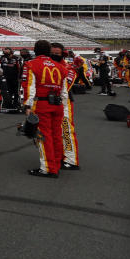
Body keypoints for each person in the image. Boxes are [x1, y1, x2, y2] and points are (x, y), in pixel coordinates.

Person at [20, 40, 69, 178]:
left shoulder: (30, 64)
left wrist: (27, 105)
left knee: (43, 136)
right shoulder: (60, 66)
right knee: (56, 135)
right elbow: (65, 91)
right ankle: (56, 163)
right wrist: (63, 106)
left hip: (42, 104)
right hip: (58, 104)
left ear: (35, 51)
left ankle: (48, 168)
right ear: (48, 51)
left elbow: (29, 87)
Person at [50, 43, 80, 171]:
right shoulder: (49, 66)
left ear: (63, 54)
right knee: (54, 131)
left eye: (57, 53)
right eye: (53, 53)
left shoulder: (69, 67)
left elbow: (66, 86)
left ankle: (71, 160)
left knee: (66, 130)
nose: (55, 55)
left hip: (64, 101)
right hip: (50, 102)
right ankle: (60, 156)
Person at [0, 47, 23, 112]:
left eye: (7, 50)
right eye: (4, 50)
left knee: (16, 92)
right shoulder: (2, 58)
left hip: (15, 79)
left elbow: (20, 69)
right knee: (8, 92)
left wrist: (20, 78)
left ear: (11, 51)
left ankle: (16, 105)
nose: (5, 51)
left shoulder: (17, 59)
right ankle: (8, 105)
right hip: (6, 78)